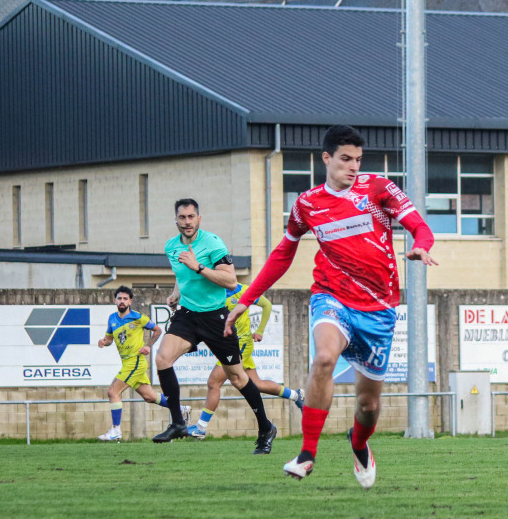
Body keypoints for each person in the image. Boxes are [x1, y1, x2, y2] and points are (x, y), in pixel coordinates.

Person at [226, 125, 437, 488]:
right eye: (345, 159)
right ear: (326, 158)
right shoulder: (307, 204)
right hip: (331, 295)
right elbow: (282, 254)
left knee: (368, 405)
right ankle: (307, 454)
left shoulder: (378, 188)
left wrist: (422, 244)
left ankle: (358, 444)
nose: (353, 166)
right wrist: (246, 300)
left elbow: (419, 225)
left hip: (378, 309)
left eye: (358, 159)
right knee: (324, 357)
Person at [152, 198, 277, 452]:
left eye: (191, 217)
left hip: (215, 317)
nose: (187, 222)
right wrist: (176, 293)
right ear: (175, 220)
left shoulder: (212, 243)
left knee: (238, 378)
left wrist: (198, 266)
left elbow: (231, 281)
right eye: (182, 217)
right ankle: (177, 422)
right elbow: (180, 275)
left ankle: (265, 427)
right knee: (162, 359)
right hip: (187, 314)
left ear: (199, 219)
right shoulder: (170, 247)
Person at [187, 283, 304, 438]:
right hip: (228, 344)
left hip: (240, 344)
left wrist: (260, 330)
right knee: (257, 384)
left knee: (213, 383)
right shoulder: (212, 292)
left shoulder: (241, 290)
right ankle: (296, 396)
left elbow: (267, 305)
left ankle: (201, 428)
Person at [96, 286, 189, 441]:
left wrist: (148, 346)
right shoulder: (112, 318)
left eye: (125, 298)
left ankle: (116, 431)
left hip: (135, 362)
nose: (122, 301)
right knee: (150, 397)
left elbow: (157, 330)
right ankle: (181, 410)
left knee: (113, 392)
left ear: (130, 301)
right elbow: (109, 340)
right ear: (115, 300)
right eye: (119, 298)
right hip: (127, 362)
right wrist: (103, 342)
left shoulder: (137, 317)